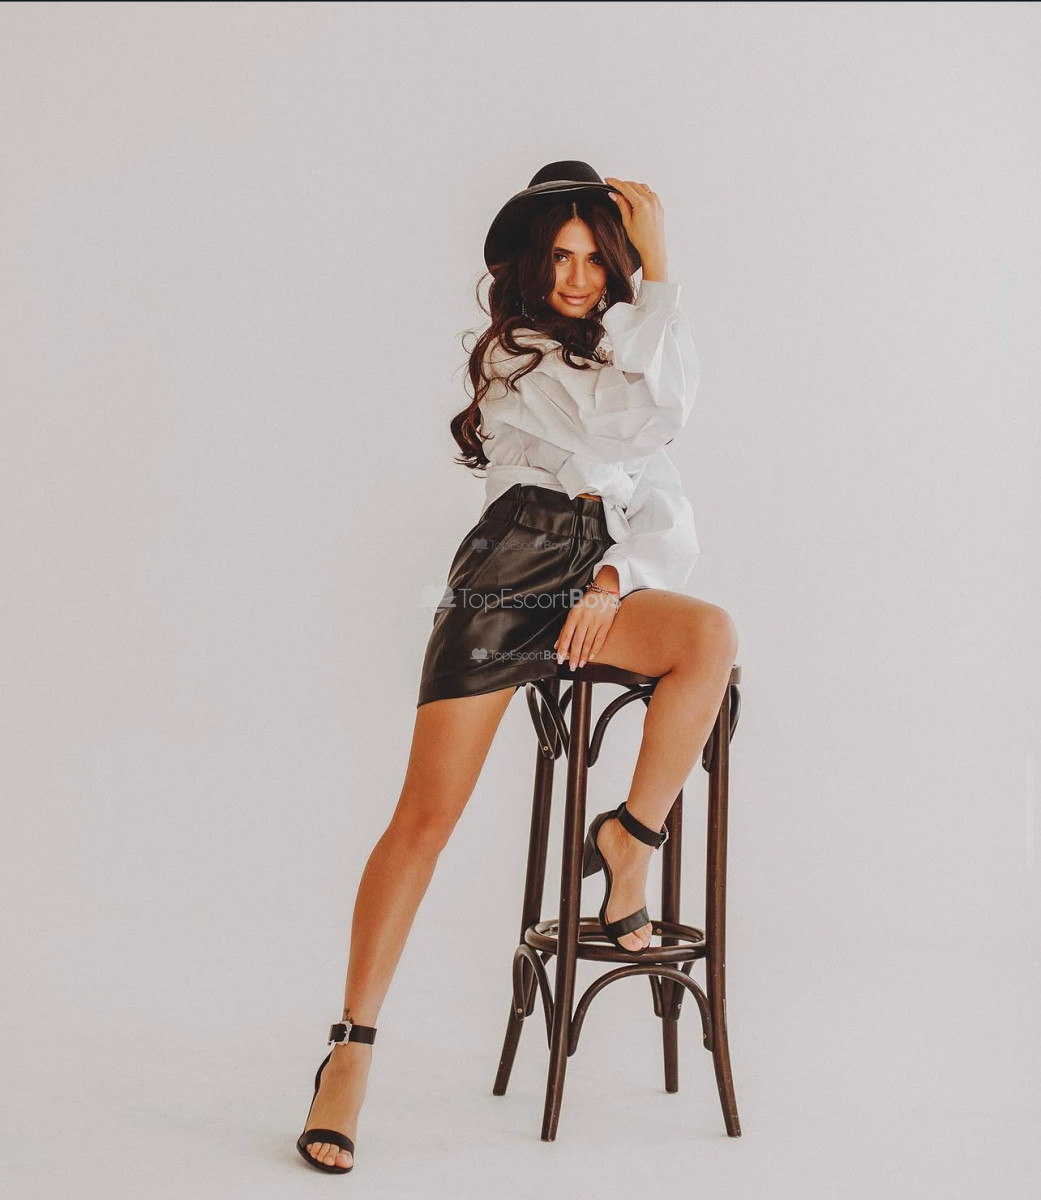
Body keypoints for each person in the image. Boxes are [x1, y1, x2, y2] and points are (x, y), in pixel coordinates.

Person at [295, 161, 739, 1173]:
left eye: (596, 260)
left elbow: (661, 488)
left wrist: (615, 578)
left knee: (708, 636)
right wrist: (661, 282)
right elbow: (641, 422)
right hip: (508, 577)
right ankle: (350, 1054)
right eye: (561, 258)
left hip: (590, 580)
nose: (578, 277)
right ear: (532, 268)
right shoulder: (515, 353)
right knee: (425, 819)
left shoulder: (623, 352)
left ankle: (627, 840)